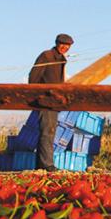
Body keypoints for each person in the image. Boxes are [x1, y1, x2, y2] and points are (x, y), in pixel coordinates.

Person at [29, 33, 73, 172]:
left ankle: (40, 165)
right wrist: (37, 95)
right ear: (57, 43)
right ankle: (47, 165)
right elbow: (33, 77)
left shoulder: (61, 59)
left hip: (54, 101)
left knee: (48, 131)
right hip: (45, 100)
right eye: (63, 44)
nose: (65, 47)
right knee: (48, 132)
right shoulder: (47, 56)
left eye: (68, 46)